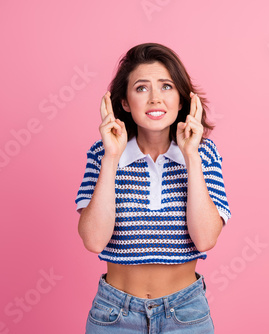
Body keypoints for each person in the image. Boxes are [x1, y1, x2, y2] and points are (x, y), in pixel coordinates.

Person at [75, 42, 231, 333]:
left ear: (183, 99)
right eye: (142, 88)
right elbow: (94, 241)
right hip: (114, 315)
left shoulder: (203, 154)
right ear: (124, 102)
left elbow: (206, 239)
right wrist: (111, 158)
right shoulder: (102, 153)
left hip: (186, 313)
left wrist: (191, 156)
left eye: (167, 87)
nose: (155, 99)